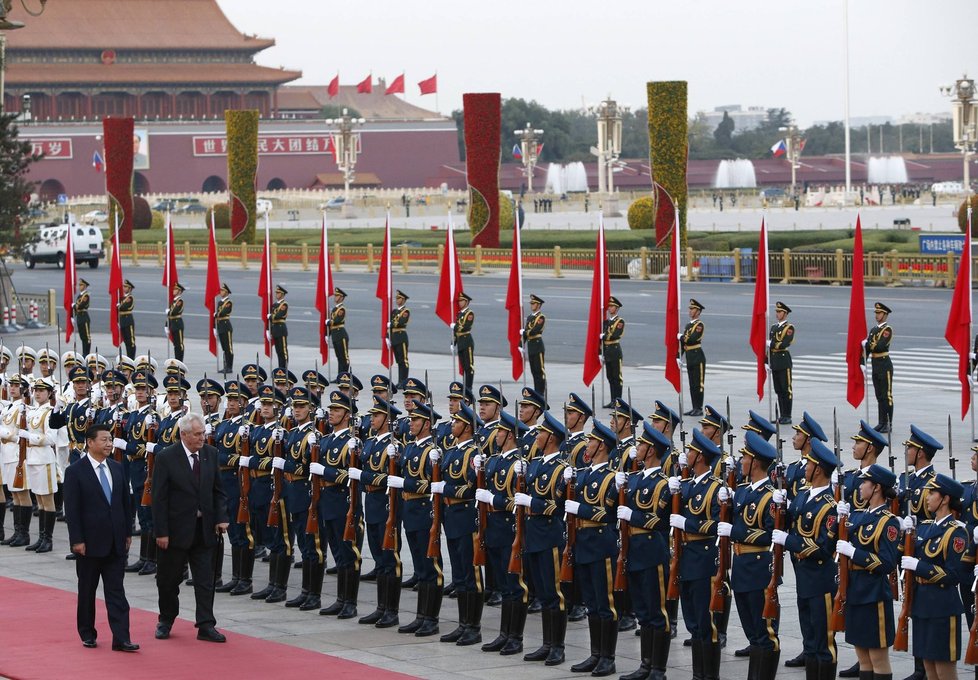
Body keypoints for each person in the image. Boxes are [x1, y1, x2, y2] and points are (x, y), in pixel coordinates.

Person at [151, 412, 230, 643]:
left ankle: (206, 624)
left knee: (205, 580)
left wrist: (221, 517)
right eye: (197, 434)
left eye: (203, 433)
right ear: (184, 435)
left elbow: (218, 491)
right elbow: (159, 498)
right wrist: (161, 532)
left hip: (203, 528)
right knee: (168, 580)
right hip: (175, 531)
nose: (202, 438)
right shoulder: (167, 457)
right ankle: (166, 619)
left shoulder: (210, 454)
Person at [63, 424, 138, 652]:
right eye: (104, 440)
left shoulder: (116, 468)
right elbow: (72, 510)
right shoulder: (75, 471)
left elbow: (125, 504)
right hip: (89, 543)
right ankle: (87, 633)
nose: (109, 444)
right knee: (87, 591)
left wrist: (126, 532)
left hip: (115, 542)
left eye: (110, 439)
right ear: (90, 442)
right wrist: (77, 540)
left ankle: (121, 638)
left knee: (116, 591)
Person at [773, 437, 840, 680]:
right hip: (803, 578)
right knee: (810, 641)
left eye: (809, 465)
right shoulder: (803, 495)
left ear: (818, 469)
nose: (805, 469)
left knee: (824, 643)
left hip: (820, 580)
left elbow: (822, 547)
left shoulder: (830, 505)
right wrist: (778, 507)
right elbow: (788, 520)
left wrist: (787, 540)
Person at [615, 422, 674, 680]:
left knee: (656, 611)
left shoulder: (664, 484)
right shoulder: (634, 478)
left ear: (650, 451)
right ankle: (645, 664)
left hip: (652, 552)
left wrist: (633, 517)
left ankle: (658, 669)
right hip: (634, 552)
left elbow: (661, 521)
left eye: (641, 445)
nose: (636, 448)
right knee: (642, 612)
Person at [834, 464, 901, 680]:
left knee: (878, 658)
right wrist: (838, 522)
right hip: (854, 589)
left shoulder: (888, 522)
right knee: (862, 655)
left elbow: (887, 562)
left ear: (877, 488)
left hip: (873, 594)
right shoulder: (859, 516)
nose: (860, 486)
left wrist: (854, 553)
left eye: (865, 483)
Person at [564, 421, 620, 676]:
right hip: (584, 544)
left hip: (600, 544)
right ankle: (595, 653)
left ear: (601, 446)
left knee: (605, 603)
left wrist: (581, 510)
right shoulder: (584, 474)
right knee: (591, 603)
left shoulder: (610, 477)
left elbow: (606, 513)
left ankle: (607, 657)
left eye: (592, 441)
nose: (588, 444)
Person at [901, 473, 967, 680]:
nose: (927, 497)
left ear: (945, 499)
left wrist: (919, 566)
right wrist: (904, 533)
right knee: (929, 666)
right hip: (922, 603)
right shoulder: (926, 526)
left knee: (944, 669)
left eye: (932, 493)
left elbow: (953, 575)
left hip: (942, 606)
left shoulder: (956, 533)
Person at [516, 411, 569, 666]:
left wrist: (532, 502)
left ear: (551, 438)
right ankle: (547, 643)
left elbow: (558, 507)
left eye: (540, 432)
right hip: (533, 536)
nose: (536, 436)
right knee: (543, 593)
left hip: (549, 536)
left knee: (554, 593)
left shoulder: (562, 468)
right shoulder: (536, 463)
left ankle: (557, 646)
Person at [670, 429, 723, 680]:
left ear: (699, 457)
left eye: (690, 451)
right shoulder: (686, 484)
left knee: (705, 623)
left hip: (703, 559)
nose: (686, 454)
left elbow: (717, 527)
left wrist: (686, 525)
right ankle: (698, 674)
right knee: (693, 624)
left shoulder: (716, 488)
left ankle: (709, 676)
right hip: (686, 558)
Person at [865, 302, 894, 433]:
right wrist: (862, 362)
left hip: (884, 364)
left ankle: (888, 422)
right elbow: (867, 348)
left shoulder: (887, 330)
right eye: (876, 313)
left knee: (886, 395)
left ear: (885, 314)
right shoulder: (873, 330)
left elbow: (880, 346)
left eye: (879, 313)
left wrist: (869, 344)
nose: (877, 315)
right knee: (879, 395)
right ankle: (881, 422)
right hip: (875, 364)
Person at [769, 301, 794, 424]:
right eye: (777, 312)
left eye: (780, 312)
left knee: (786, 389)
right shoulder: (774, 327)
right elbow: (770, 348)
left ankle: (787, 415)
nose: (777, 314)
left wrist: (772, 344)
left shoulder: (789, 328)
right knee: (778, 390)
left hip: (784, 361)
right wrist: (766, 361)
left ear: (785, 313)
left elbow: (784, 343)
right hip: (774, 362)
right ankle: (782, 415)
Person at [681, 299, 707, 417]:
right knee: (692, 385)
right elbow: (684, 344)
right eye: (690, 309)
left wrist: (681, 337)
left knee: (698, 384)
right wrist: (678, 356)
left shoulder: (699, 325)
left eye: (693, 309)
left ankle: (699, 408)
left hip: (698, 357)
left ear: (698, 311)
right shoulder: (689, 325)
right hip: (690, 357)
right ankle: (694, 407)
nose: (690, 311)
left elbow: (691, 339)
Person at [601, 296, 624, 408]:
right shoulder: (605, 322)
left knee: (617, 377)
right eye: (609, 306)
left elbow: (615, 334)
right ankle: (612, 400)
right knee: (610, 377)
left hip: (615, 351)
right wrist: (600, 353)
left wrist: (604, 336)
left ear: (617, 308)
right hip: (607, 352)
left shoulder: (620, 321)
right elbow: (599, 339)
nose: (610, 308)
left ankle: (618, 401)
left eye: (612, 307)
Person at [522, 294, 547, 397]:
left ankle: (541, 392)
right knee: (533, 371)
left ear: (539, 305)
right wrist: (521, 345)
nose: (532, 305)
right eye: (531, 304)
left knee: (539, 370)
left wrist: (525, 332)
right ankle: (536, 392)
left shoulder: (540, 317)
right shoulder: (530, 317)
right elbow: (526, 332)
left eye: (534, 304)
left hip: (537, 345)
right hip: (531, 346)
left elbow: (535, 330)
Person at [453, 292, 475, 393]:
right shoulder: (460, 314)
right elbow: (456, 331)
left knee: (469, 366)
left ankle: (469, 386)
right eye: (459, 301)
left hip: (467, 341)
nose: (460, 303)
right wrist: (453, 342)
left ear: (466, 302)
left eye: (462, 301)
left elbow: (464, 327)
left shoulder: (469, 314)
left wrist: (455, 326)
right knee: (463, 365)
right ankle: (465, 384)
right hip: (460, 342)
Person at [390, 290, 410, 390]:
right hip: (394, 337)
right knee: (398, 361)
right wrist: (387, 336)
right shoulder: (394, 311)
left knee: (403, 360)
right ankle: (400, 381)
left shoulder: (405, 312)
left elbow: (401, 322)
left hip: (401, 337)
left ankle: (404, 381)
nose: (397, 300)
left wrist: (392, 324)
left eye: (399, 298)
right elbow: (389, 325)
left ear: (403, 299)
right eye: (396, 298)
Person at [327, 288, 350, 374]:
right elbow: (332, 324)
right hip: (335, 335)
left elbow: (337, 320)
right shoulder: (334, 309)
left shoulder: (341, 309)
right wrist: (327, 334)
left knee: (344, 357)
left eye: (337, 296)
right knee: (339, 356)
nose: (335, 297)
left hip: (341, 334)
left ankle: (345, 375)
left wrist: (329, 322)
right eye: (335, 295)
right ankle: (340, 376)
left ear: (341, 297)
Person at [215, 283, 234, 375]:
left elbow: (223, 312)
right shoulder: (220, 302)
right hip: (221, 326)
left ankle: (229, 367)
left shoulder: (228, 303)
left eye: (222, 291)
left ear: (226, 292)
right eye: (220, 290)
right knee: (224, 348)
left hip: (226, 326)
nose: (221, 292)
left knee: (228, 348)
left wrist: (216, 314)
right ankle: (225, 366)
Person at [270, 284, 289, 369]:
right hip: (275, 329)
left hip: (281, 329)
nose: (276, 294)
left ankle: (284, 368)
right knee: (278, 351)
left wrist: (271, 316)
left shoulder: (284, 304)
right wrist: (269, 330)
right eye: (276, 293)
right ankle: (280, 368)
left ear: (282, 294)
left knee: (283, 351)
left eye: (278, 293)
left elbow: (279, 315)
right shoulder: (274, 305)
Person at [74, 278, 92, 356]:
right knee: (82, 336)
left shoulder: (86, 295)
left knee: (86, 337)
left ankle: (86, 353)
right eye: (79, 285)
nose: (79, 287)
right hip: (79, 317)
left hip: (84, 317)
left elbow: (81, 305)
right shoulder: (80, 296)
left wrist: (75, 306)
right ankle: (84, 353)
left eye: (81, 285)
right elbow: (76, 307)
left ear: (85, 286)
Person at [167, 283, 185, 361]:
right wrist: (166, 325)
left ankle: (180, 361)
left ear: (180, 291)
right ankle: (177, 360)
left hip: (178, 324)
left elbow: (174, 312)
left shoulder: (180, 301)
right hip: (173, 324)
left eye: (176, 289)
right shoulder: (174, 301)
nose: (173, 291)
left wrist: (168, 312)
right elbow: (170, 316)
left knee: (179, 344)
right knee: (175, 345)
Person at [119, 279, 136, 359]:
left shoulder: (130, 298)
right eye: (124, 287)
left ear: (130, 288)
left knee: (131, 341)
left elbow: (123, 307)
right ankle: (129, 357)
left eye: (126, 287)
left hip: (128, 320)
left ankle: (131, 358)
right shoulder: (123, 298)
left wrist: (119, 306)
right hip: (122, 320)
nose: (124, 288)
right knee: (126, 341)